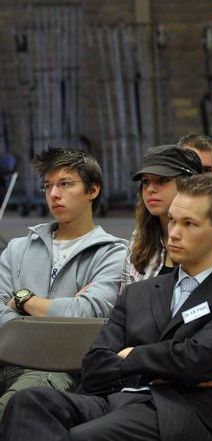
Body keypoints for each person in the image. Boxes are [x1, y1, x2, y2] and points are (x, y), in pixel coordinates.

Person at [1, 174, 212, 441]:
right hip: (114, 402)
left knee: (83, 435)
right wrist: (166, 369)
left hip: (183, 415)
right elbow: (94, 367)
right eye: (173, 221)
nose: (174, 233)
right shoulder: (139, 293)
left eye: (189, 224)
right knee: (29, 402)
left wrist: (130, 356)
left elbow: (199, 360)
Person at [0, 147, 127, 417]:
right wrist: (53, 311)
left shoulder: (112, 253)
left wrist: (22, 300)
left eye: (66, 184)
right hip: (5, 360)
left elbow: (86, 315)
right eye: (48, 186)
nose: (54, 195)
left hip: (62, 370)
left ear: (93, 190)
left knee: (13, 406)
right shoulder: (17, 248)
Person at [121, 145, 212, 290]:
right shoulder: (139, 237)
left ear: (190, 184)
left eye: (162, 180)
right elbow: (126, 302)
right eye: (146, 181)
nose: (150, 189)